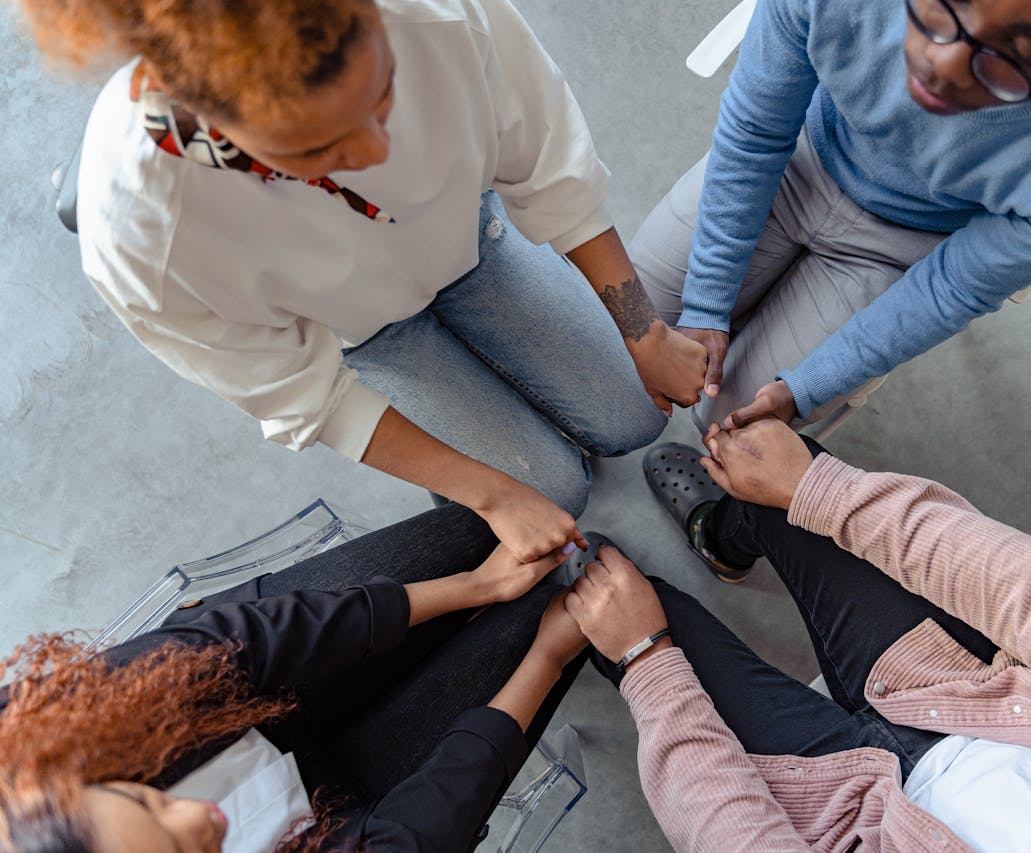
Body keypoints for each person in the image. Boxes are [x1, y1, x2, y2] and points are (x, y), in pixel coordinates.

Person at [19, 0, 708, 563]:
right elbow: (301, 394)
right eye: (318, 150)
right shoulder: (142, 234)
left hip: (477, 245)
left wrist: (643, 331)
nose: (379, 152)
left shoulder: (431, 13)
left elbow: (549, 164)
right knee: (551, 487)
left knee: (636, 413)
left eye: (384, 95)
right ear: (217, 124)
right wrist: (493, 495)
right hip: (367, 338)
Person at [564, 420, 1031, 850]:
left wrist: (646, 661)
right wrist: (823, 488)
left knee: (610, 598)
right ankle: (724, 533)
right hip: (975, 697)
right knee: (792, 492)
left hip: (844, 818)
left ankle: (627, 617)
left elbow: (737, 837)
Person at [631, 0, 1031, 433]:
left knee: (736, 422)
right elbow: (755, 132)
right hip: (800, 147)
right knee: (626, 336)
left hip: (909, 245)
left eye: (1018, 58)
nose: (942, 67)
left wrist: (808, 387)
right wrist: (707, 300)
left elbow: (952, 289)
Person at [0, 503, 590, 851]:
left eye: (144, 800)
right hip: (344, 817)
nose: (199, 817)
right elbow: (408, 839)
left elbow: (249, 643)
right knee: (540, 621)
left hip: (248, 693)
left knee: (476, 535)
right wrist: (547, 657)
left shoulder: (28, 745)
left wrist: (475, 588)